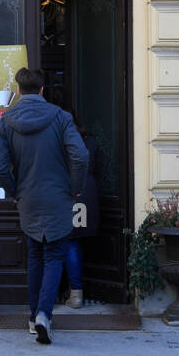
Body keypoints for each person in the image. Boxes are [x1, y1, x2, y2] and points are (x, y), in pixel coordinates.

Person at [0, 67, 88, 344]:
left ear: (19, 90)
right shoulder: (61, 118)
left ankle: (34, 317)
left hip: (28, 198)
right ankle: (44, 313)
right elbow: (80, 156)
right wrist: (75, 187)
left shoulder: (6, 121)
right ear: (43, 90)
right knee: (54, 255)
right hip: (58, 196)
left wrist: (14, 191)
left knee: (35, 255)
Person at [58, 109, 100, 309]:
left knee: (67, 243)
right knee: (74, 243)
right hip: (88, 194)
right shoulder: (88, 140)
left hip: (68, 194)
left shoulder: (58, 142)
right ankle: (72, 289)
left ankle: (75, 292)